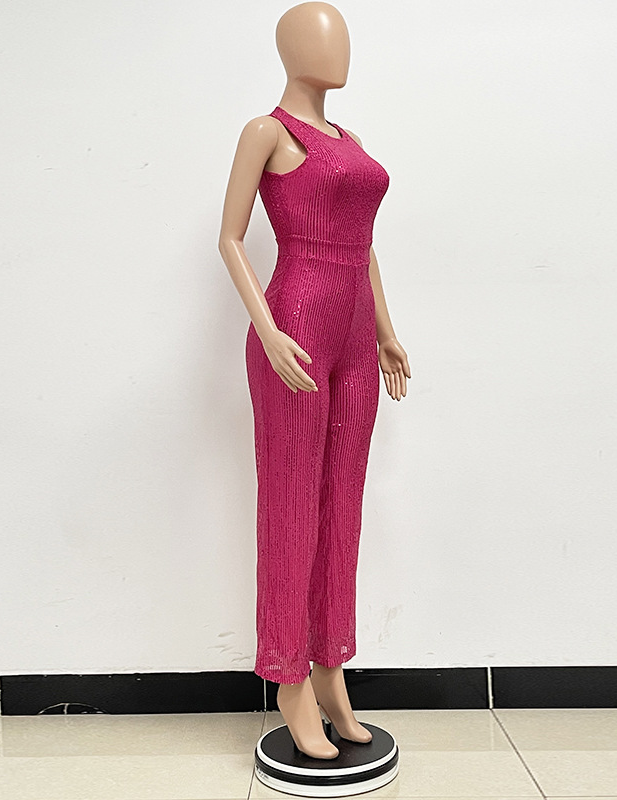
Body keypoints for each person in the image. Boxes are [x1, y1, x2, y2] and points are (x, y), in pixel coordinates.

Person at [218, 1, 410, 759]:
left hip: (357, 336)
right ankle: (289, 677)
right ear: (290, 50)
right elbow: (230, 237)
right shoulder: (266, 132)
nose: (339, 50)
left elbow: (365, 247)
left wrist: (386, 331)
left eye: (342, 36)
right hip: (295, 325)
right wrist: (267, 329)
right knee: (291, 503)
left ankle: (331, 667)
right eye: (322, 37)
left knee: (343, 506)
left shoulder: (349, 142)